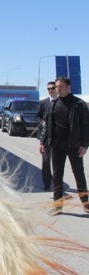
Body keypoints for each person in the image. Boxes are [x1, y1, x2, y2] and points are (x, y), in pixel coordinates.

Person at [40, 77, 89, 215]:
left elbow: (86, 127)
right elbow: (47, 125)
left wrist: (84, 145)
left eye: (60, 86)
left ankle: (86, 204)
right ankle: (58, 206)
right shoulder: (53, 105)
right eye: (56, 86)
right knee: (57, 176)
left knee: (79, 175)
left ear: (68, 87)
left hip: (74, 146)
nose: (57, 89)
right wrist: (43, 142)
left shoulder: (79, 104)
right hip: (57, 146)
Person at [36, 81, 57, 191]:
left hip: (58, 138)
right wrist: (43, 123)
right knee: (46, 161)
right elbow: (37, 117)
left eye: (52, 88)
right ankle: (47, 183)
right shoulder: (43, 103)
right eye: (48, 89)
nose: (50, 91)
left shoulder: (61, 102)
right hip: (46, 137)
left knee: (57, 162)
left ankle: (58, 183)